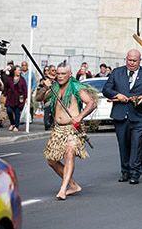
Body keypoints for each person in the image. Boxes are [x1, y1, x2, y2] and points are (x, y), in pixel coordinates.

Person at [35, 62, 97, 200]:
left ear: (70, 74)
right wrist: (44, 88)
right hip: (58, 129)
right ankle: (73, 185)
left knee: (69, 153)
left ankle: (63, 189)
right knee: (51, 160)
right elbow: (38, 98)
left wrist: (79, 117)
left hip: (72, 128)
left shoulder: (76, 87)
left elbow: (92, 103)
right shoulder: (54, 87)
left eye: (63, 73)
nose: (60, 76)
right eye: (58, 73)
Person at [102, 49, 142, 185]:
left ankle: (135, 173)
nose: (131, 63)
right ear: (126, 59)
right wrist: (116, 95)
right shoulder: (117, 72)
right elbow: (106, 89)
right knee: (123, 145)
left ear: (140, 61)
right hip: (121, 115)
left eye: (134, 61)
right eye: (129, 60)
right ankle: (125, 171)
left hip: (139, 117)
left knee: (137, 145)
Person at [3, 66, 27, 132]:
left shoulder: (22, 79)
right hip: (10, 97)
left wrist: (25, 98)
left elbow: (25, 90)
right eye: (18, 70)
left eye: (20, 70)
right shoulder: (9, 79)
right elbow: (6, 89)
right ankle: (12, 123)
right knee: (9, 110)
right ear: (14, 71)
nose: (19, 71)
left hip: (19, 98)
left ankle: (16, 126)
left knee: (17, 112)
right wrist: (4, 96)